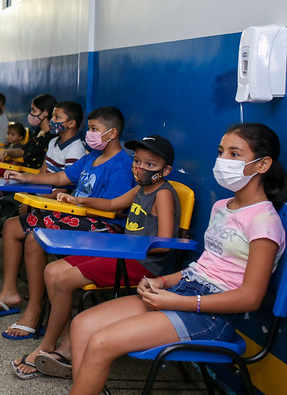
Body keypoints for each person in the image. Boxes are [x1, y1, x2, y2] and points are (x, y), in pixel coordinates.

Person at [68, 123, 287, 395]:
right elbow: (202, 267)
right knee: (82, 325)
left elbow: (250, 298)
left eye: (234, 154)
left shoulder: (265, 221)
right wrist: (159, 281)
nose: (223, 161)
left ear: (263, 164)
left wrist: (181, 301)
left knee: (101, 342)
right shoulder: (223, 206)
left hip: (212, 317)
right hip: (184, 291)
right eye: (221, 152)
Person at [12, 135, 179, 380]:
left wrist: (126, 245)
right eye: (137, 161)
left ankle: (46, 347)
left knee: (64, 279)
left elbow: (164, 243)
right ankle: (67, 345)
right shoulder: (141, 188)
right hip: (121, 254)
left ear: (166, 170)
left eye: (150, 165)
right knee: (52, 270)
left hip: (141, 264)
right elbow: (112, 203)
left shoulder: (163, 193)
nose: (140, 168)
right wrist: (78, 199)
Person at [0, 107, 135, 340]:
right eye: (90, 128)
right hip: (76, 215)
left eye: (95, 129)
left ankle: (35, 310)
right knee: (13, 225)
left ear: (112, 133)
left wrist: (79, 200)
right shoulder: (92, 157)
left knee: (36, 237)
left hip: (100, 225)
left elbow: (114, 205)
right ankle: (10, 293)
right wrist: (27, 178)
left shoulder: (121, 164)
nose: (89, 134)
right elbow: (61, 177)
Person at [0, 101, 85, 278]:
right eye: (52, 116)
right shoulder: (54, 142)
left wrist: (35, 204)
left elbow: (65, 190)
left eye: (57, 117)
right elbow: (41, 174)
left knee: (10, 221)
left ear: (72, 123)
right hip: (37, 197)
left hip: (51, 204)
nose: (52, 121)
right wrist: (27, 196)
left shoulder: (76, 150)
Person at [0, 93, 58, 170]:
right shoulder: (39, 131)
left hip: (34, 177)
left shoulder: (52, 137)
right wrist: (7, 152)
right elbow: (22, 151)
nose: (31, 114)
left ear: (45, 112)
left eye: (33, 110)